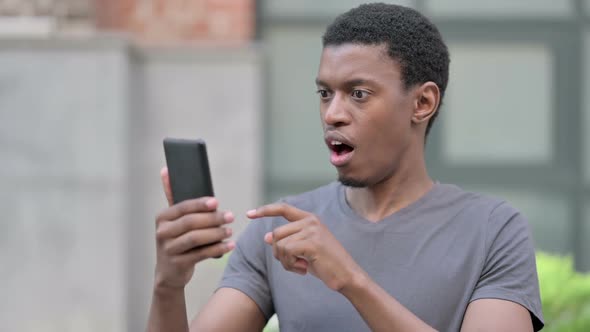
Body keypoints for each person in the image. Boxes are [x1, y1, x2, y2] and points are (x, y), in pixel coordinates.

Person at [147, 3, 544, 331]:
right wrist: (168, 284)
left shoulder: (493, 230)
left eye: (358, 93)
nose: (332, 114)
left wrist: (351, 281)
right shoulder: (280, 231)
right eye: (324, 93)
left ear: (422, 104)